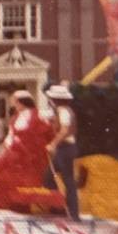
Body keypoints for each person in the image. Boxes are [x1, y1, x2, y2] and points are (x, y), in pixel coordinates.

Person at [43, 85, 80, 221]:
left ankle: (73, 214)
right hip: (63, 149)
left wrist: (53, 144)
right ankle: (58, 207)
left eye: (51, 98)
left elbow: (64, 130)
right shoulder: (60, 111)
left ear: (55, 99)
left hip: (66, 148)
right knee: (48, 177)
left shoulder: (63, 111)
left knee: (68, 181)